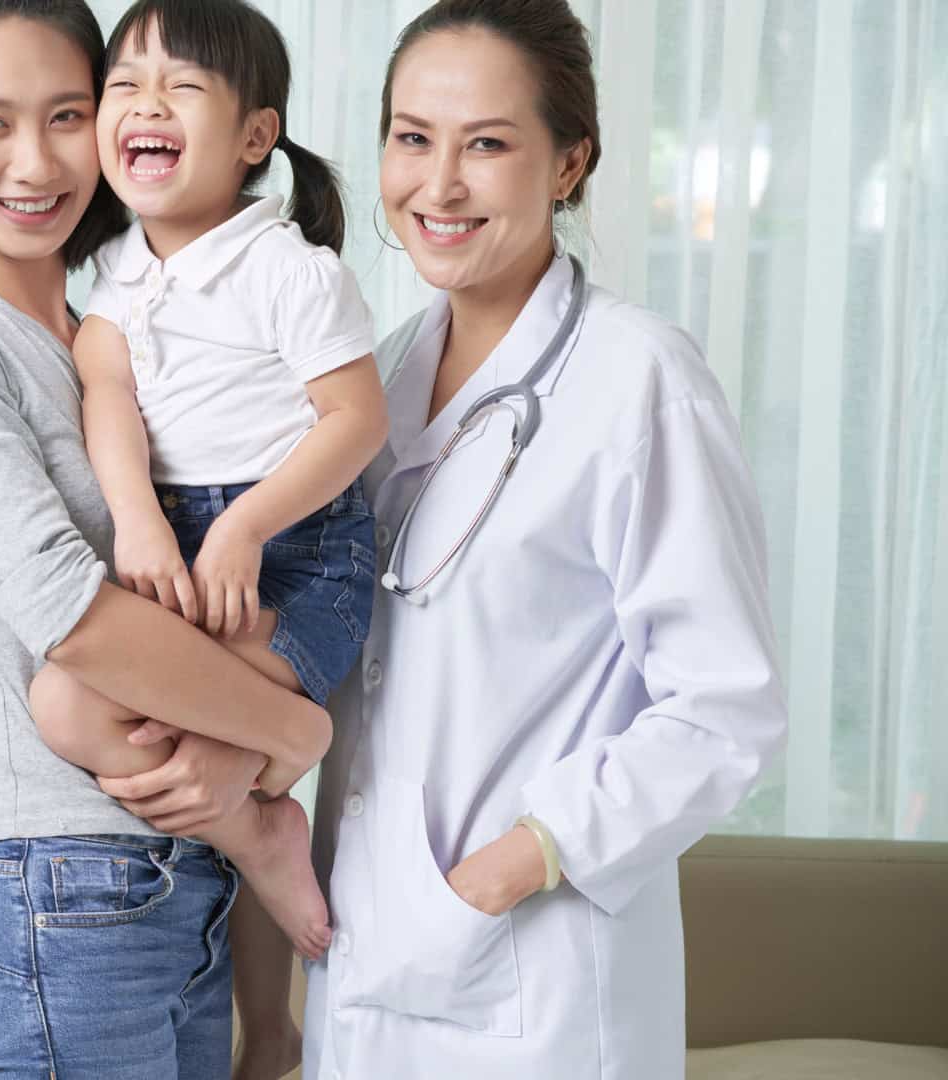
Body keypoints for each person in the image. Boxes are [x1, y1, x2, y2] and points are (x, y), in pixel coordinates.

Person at [300, 1, 788, 1076]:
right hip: (365, 969)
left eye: (488, 144)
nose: (438, 186)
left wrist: (510, 869)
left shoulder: (638, 382)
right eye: (412, 138)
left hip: (537, 978)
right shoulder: (373, 385)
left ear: (570, 163)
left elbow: (726, 706)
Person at [0, 2, 333, 1076]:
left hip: (186, 888)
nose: (36, 162)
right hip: (60, 895)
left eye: (68, 114)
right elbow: (68, 613)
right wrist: (292, 741)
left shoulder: (135, 330)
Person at [20, 0, 385, 1072]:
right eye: (124, 86)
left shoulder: (290, 268)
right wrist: (138, 518)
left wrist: (244, 529)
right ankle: (259, 840)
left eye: (181, 87)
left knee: (125, 714)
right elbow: (107, 396)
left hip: (297, 553)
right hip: (175, 545)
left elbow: (356, 422)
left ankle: (266, 840)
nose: (145, 105)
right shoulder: (116, 279)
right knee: (77, 704)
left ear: (254, 137)